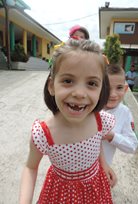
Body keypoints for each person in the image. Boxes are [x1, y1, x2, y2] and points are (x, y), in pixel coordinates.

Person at [19, 39, 117, 204]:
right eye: (68, 81)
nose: (79, 93)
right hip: (59, 194)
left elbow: (97, 142)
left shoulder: (99, 120)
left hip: (96, 188)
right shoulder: (44, 133)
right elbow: (30, 167)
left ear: (101, 90)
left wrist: (104, 164)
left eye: (92, 83)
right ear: (51, 86)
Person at [102, 64, 138, 165]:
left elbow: (132, 146)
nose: (113, 94)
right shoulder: (89, 107)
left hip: (103, 170)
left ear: (125, 89)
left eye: (119, 88)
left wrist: (112, 136)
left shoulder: (124, 112)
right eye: (107, 88)